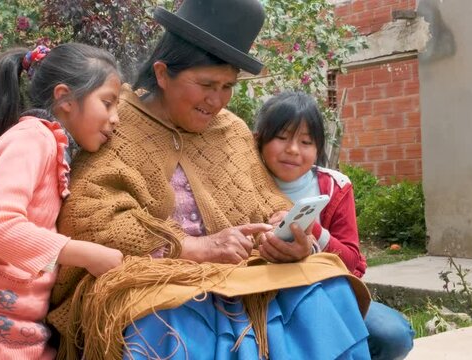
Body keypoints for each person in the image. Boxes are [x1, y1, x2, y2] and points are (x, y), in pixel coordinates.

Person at [47, 0, 371, 359]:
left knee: (324, 294)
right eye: (206, 84)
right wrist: (194, 248)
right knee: (176, 322)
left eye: (227, 86)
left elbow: (268, 199)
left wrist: (291, 236)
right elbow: (88, 219)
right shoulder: (117, 123)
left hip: (242, 272)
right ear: (162, 73)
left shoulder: (231, 131)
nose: (217, 100)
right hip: (152, 276)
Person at [0, 43, 124, 360]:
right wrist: (88, 254)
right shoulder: (32, 139)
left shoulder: (50, 144)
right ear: (64, 97)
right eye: (108, 103)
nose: (115, 118)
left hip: (4, 336)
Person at [254, 91, 416, 360]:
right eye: (281, 138)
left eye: (306, 142)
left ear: (318, 148)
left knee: (393, 336)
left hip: (328, 290)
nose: (293, 150)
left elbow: (352, 262)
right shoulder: (244, 184)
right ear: (259, 140)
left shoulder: (334, 187)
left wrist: (314, 229)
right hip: (264, 296)